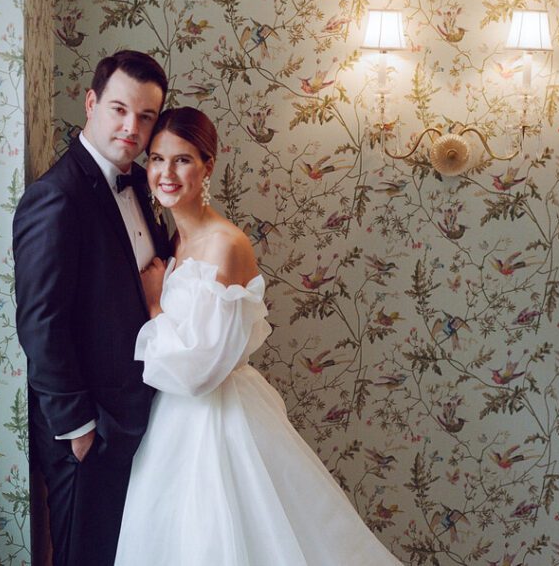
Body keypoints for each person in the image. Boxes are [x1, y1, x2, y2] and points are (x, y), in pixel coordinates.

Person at [114, 107, 404, 566]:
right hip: (172, 422)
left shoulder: (227, 245)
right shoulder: (173, 239)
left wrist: (153, 304)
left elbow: (200, 371)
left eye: (182, 160)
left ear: (208, 166)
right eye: (156, 159)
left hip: (218, 416)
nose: (166, 173)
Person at [13, 50, 171, 566]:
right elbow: (41, 325)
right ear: (91, 103)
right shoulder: (56, 197)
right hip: (91, 434)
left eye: (146, 116)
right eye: (120, 109)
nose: (132, 127)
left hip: (139, 419)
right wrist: (80, 430)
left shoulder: (140, 184)